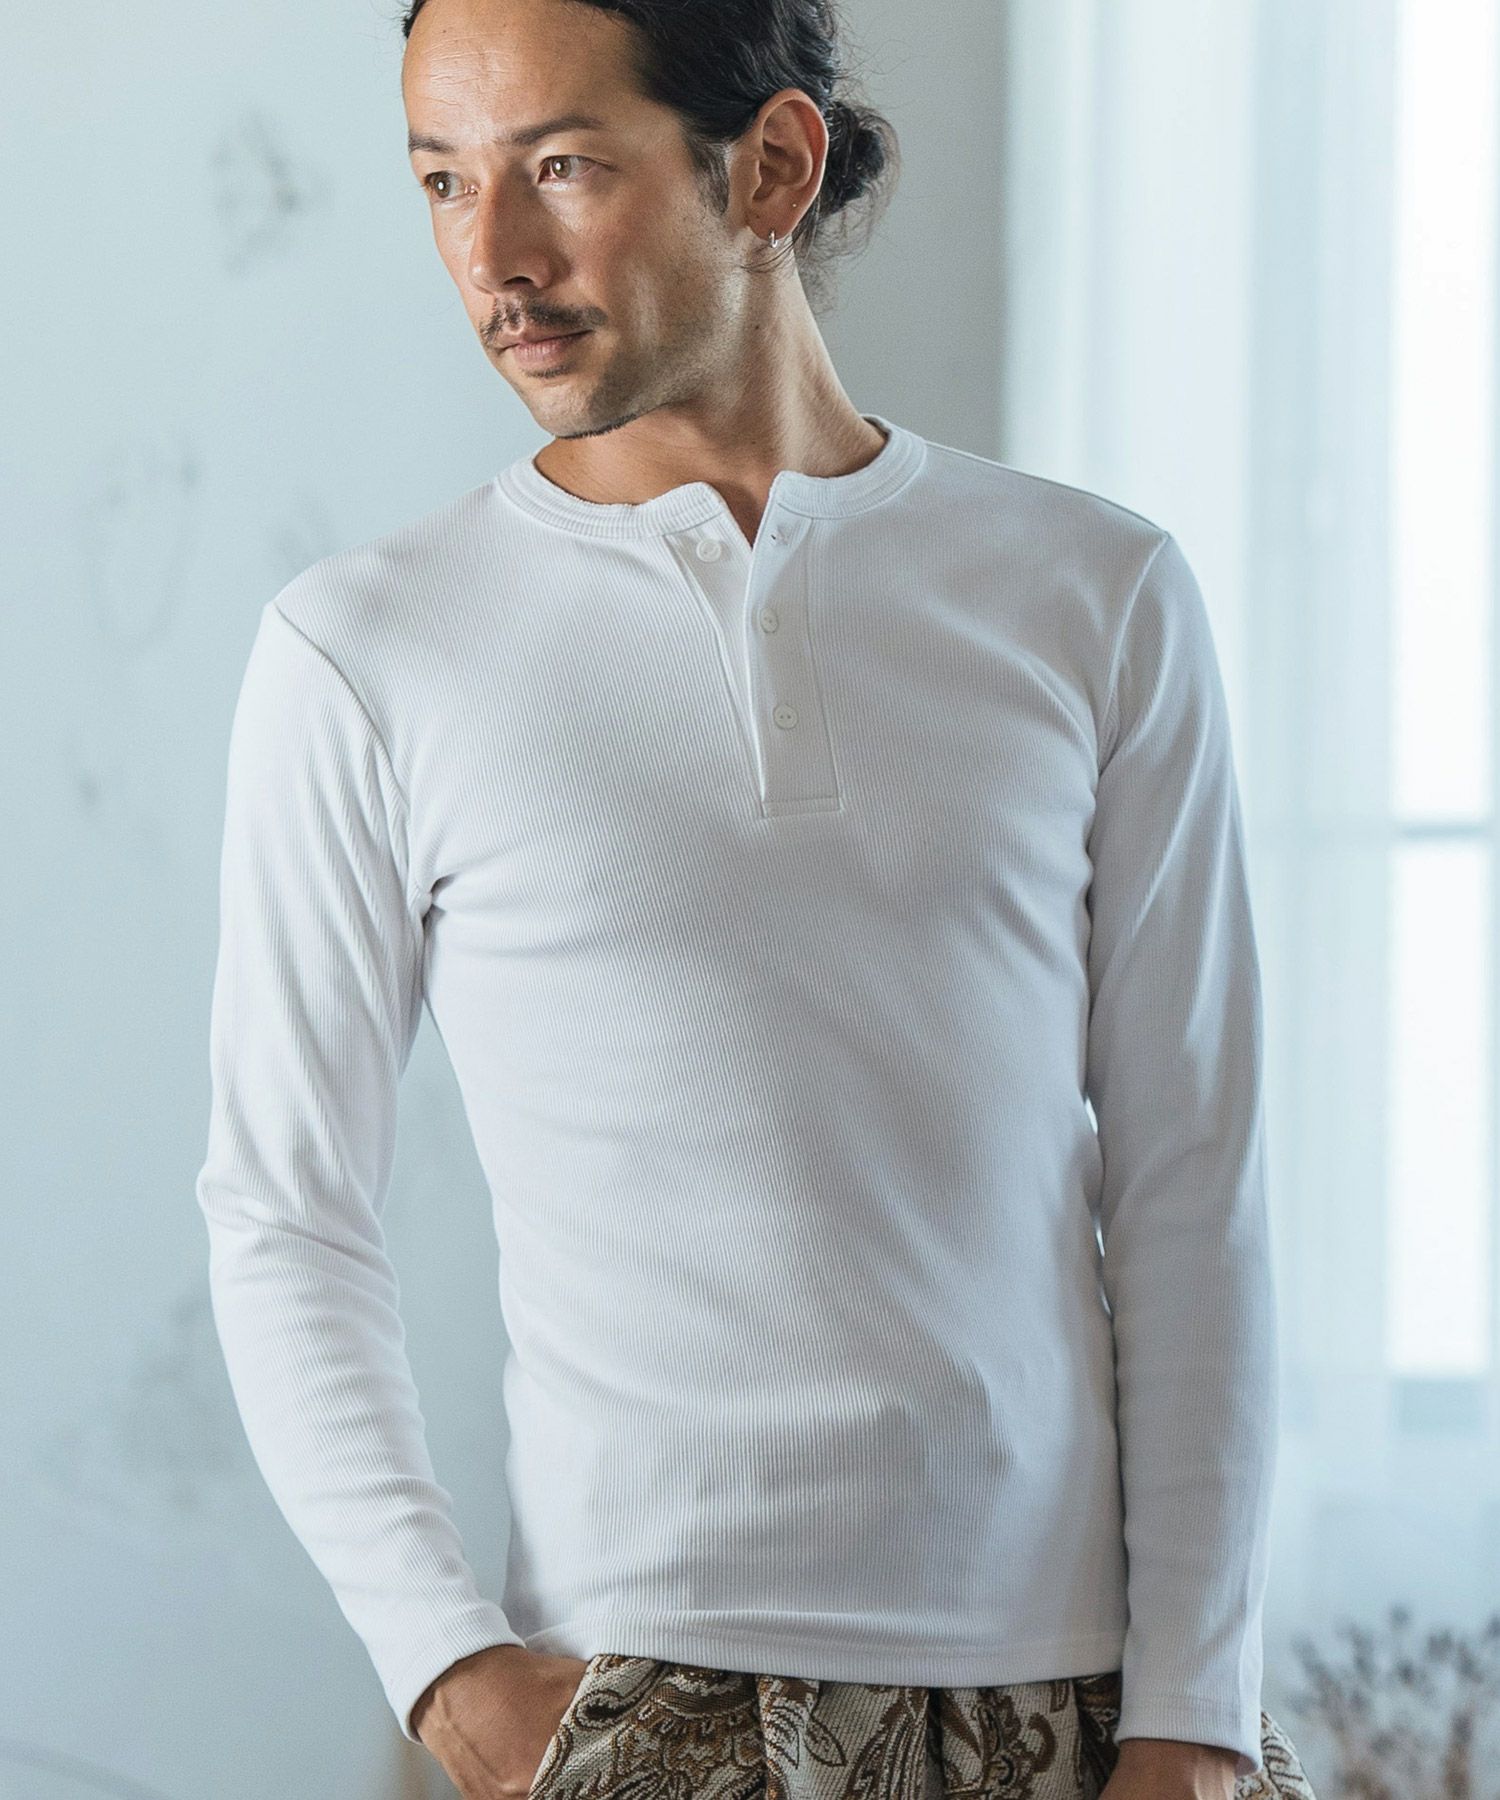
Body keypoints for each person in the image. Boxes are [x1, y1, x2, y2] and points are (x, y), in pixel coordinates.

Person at [193, 2, 1317, 1797]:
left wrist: (1195, 1709)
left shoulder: (1093, 596)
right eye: (443, 182)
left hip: (1086, 1692)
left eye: (562, 167)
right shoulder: (369, 651)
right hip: (642, 1693)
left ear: (773, 166)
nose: (495, 258)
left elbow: (1196, 1181)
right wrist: (450, 1672)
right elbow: (283, 1208)